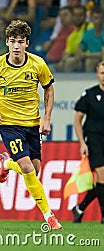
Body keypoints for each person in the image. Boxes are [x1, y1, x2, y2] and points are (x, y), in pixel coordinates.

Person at [0, 20, 62, 230]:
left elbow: (49, 90)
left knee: (34, 169)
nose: (16, 46)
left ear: (27, 43)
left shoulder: (38, 64)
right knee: (27, 167)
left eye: (21, 42)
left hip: (32, 124)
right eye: (13, 41)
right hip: (8, 124)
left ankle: (7, 164)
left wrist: (47, 118)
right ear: (7, 42)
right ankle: (49, 216)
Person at [72, 61, 104, 224]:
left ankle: (80, 208)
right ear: (97, 75)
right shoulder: (90, 95)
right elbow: (77, 120)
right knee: (102, 174)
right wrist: (82, 143)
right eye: (102, 73)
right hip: (94, 140)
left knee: (101, 180)